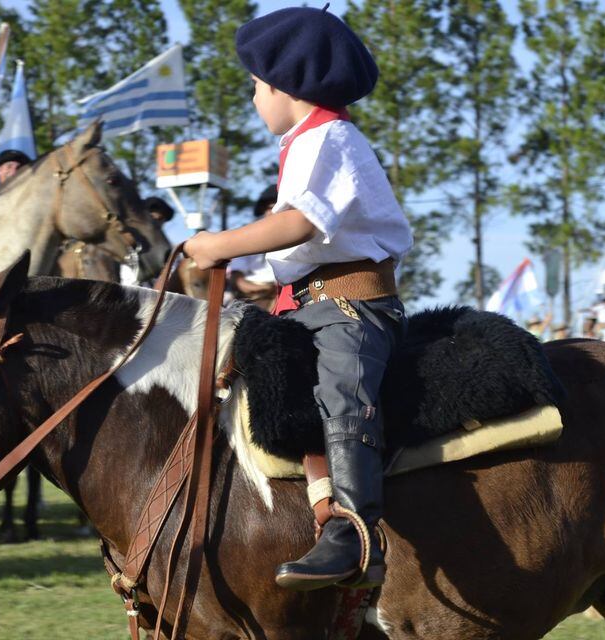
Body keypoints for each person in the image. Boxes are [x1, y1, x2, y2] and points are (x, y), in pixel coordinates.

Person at [184, 5, 412, 591]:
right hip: (309, 304)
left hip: (350, 307)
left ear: (288, 87)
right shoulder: (306, 143)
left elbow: (300, 227)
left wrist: (218, 245)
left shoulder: (330, 137)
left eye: (257, 87)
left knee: (341, 390)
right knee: (278, 395)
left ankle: (355, 532)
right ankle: (313, 512)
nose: (255, 99)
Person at [230, 185, 279, 310]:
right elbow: (238, 278)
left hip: (285, 292)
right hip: (253, 296)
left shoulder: (301, 235)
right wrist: (256, 288)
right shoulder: (248, 235)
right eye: (268, 208)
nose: (271, 212)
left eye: (277, 206)